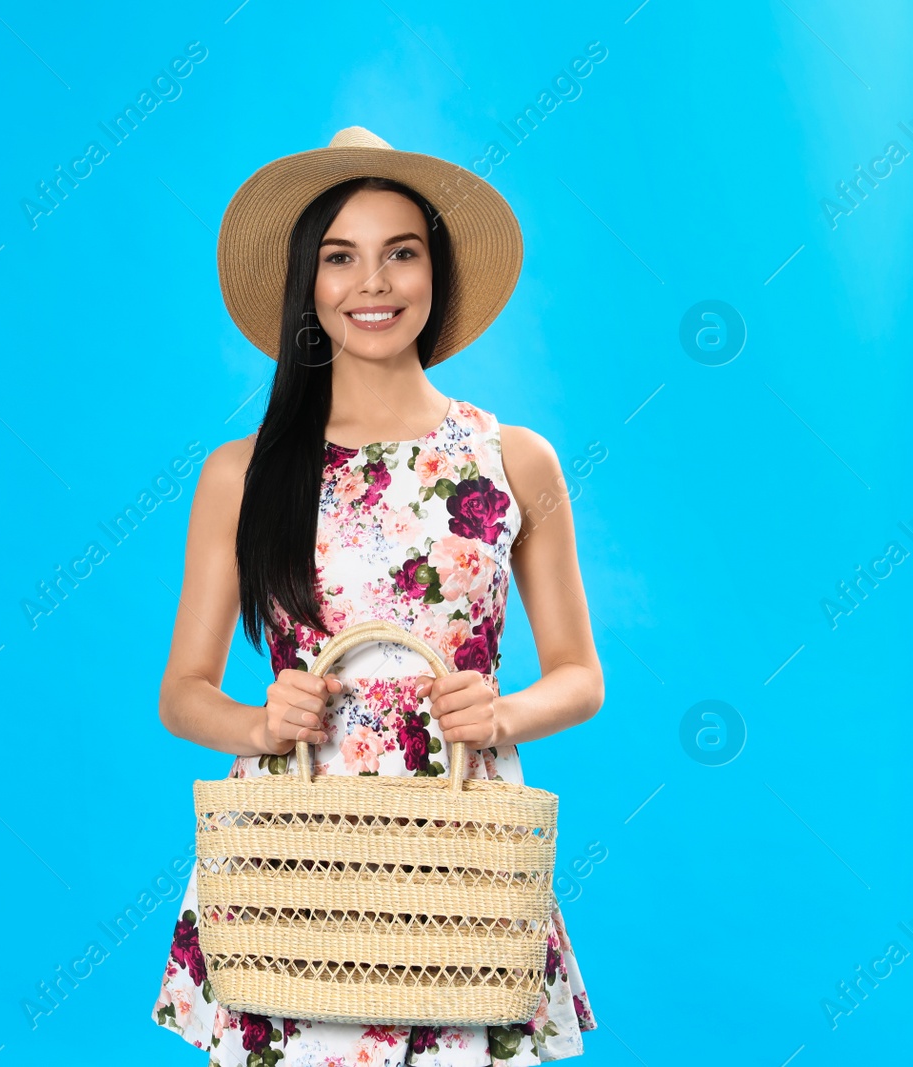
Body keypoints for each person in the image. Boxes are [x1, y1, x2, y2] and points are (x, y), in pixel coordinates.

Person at [150, 127, 603, 1066]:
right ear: (307, 288)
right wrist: (262, 723)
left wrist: (504, 708)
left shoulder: (515, 459)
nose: (374, 284)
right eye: (340, 258)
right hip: (295, 856)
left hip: (460, 840)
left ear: (435, 274)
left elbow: (581, 676)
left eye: (401, 253)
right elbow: (183, 693)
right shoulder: (243, 472)